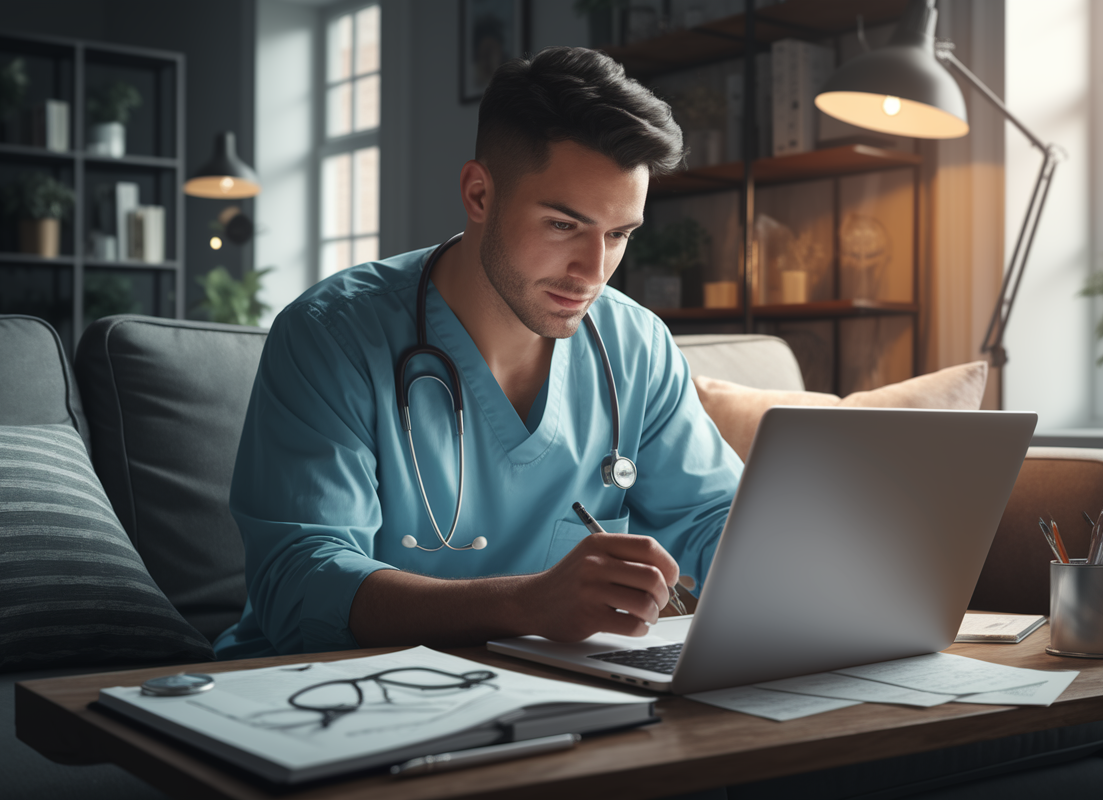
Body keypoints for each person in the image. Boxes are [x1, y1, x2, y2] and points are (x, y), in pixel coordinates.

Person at [214, 46, 743, 659]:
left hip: (559, 692)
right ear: (479, 195)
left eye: (619, 234)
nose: (593, 272)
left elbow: (712, 519)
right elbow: (299, 583)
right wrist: (527, 604)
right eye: (563, 225)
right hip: (325, 692)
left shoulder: (637, 344)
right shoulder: (332, 335)